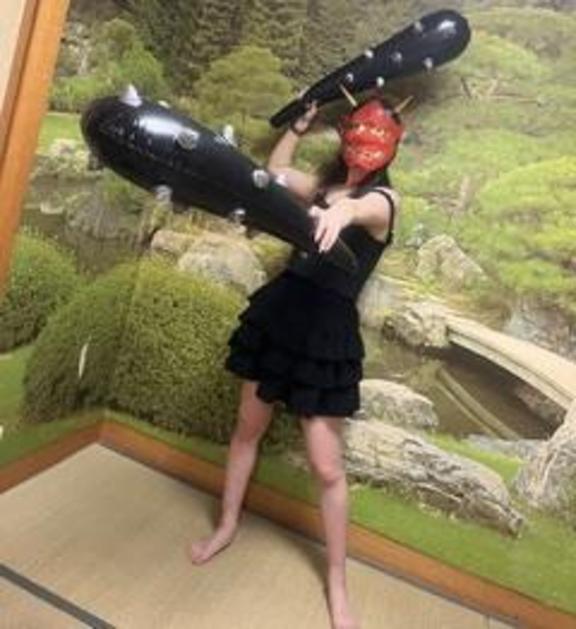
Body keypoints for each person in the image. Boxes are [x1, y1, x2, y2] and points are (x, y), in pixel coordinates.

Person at [188, 95, 403, 629]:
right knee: (247, 430)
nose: (364, 144)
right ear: (345, 135)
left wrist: (340, 212)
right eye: (358, 132)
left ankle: (337, 581)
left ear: (392, 146)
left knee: (327, 468)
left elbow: (361, 210)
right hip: (281, 314)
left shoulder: (384, 202)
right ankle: (227, 524)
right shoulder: (323, 185)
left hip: (326, 333)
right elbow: (276, 173)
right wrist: (298, 128)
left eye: (377, 135)